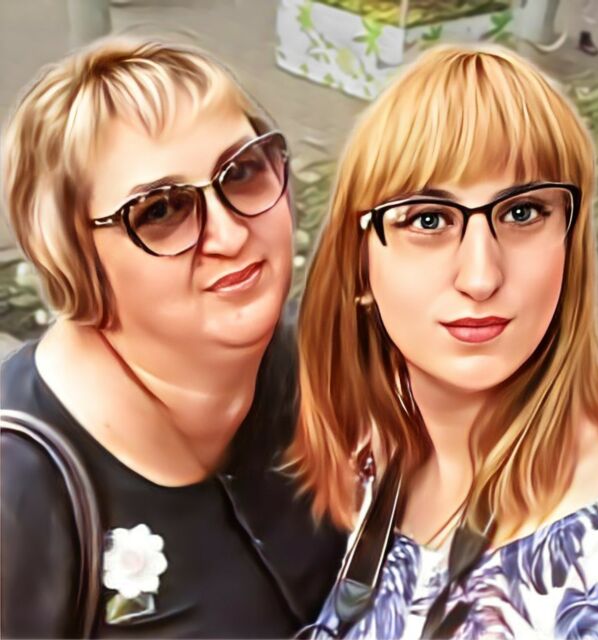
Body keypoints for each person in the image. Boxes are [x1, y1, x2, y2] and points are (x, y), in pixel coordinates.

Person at [289, 44, 598, 638]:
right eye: (428, 219)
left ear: (571, 245)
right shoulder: (358, 441)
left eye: (523, 213)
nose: (480, 277)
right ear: (358, 266)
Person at [0, 39, 346, 638]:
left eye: (242, 172)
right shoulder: (18, 493)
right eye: (160, 211)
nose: (230, 235)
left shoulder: (324, 365)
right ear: (73, 256)